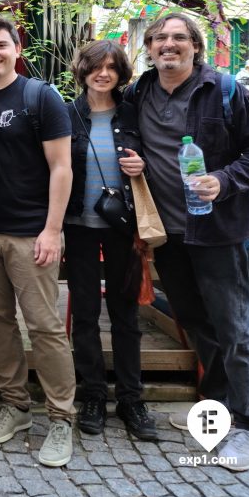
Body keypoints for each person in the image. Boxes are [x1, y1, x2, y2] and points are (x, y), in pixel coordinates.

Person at [125, 12, 249, 471]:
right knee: (194, 321)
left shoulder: (226, 91)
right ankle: (218, 407)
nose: (168, 45)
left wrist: (224, 179)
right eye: (159, 39)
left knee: (232, 328)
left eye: (178, 38)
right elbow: (136, 142)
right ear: (149, 48)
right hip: (169, 233)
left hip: (215, 233)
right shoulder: (141, 92)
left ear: (195, 46)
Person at [0, 15, 76, 468]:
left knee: (44, 327)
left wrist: (53, 229)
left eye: (0, 45)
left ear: (16, 48)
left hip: (30, 234)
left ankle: (61, 417)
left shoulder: (40, 97)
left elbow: (61, 167)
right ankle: (16, 406)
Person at [64, 41, 156, 441]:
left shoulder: (134, 113)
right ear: (82, 71)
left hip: (123, 225)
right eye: (95, 67)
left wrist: (142, 164)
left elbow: (161, 157)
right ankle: (94, 394)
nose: (103, 74)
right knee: (84, 313)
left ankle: (131, 398)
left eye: (111, 68)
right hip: (78, 224)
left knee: (125, 313)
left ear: (121, 73)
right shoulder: (66, 114)